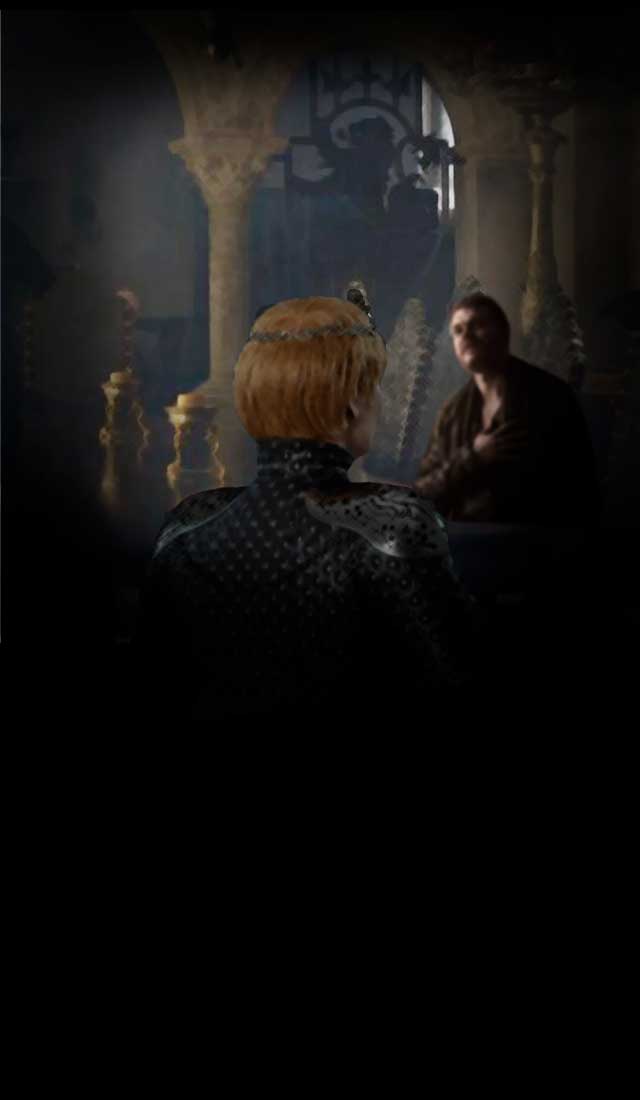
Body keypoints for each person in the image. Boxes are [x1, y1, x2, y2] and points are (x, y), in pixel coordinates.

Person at [138, 296, 478, 720]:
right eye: (375, 385)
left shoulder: (187, 524)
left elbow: (148, 690)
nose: (380, 399)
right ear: (352, 405)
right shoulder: (391, 524)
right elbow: (461, 685)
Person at [414, 293, 600, 525]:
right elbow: (424, 493)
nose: (466, 336)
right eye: (458, 330)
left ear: (503, 332)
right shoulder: (452, 413)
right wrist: (473, 457)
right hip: (468, 540)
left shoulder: (551, 396)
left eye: (477, 325)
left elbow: (582, 488)